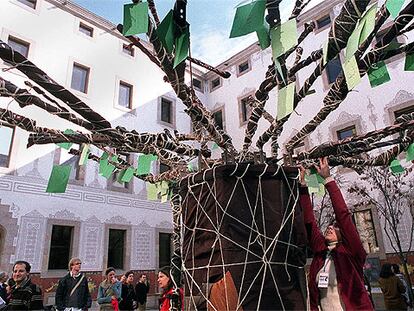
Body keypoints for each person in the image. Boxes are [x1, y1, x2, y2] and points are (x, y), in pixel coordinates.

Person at [299, 158, 374, 310]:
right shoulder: (321, 251)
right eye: (328, 226)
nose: (330, 228)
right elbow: (309, 222)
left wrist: (328, 179)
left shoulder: (351, 252)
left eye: (335, 227)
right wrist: (303, 187)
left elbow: (343, 215)